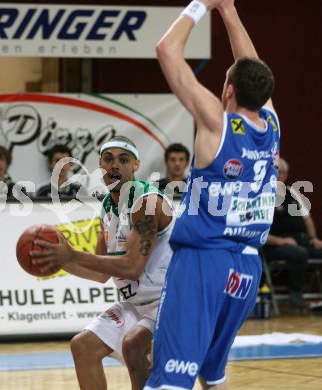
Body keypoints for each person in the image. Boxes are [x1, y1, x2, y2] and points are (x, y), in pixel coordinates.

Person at [145, 0, 280, 389]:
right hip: (247, 270)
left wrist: (203, 4)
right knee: (212, 374)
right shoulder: (271, 122)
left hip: (204, 263)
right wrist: (230, 10)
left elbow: (166, 50)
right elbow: (255, 69)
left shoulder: (216, 121)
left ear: (229, 90)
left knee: (171, 377)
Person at [31, 136, 174, 390]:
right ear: (100, 165)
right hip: (135, 305)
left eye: (123, 159)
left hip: (168, 302)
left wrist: (71, 255)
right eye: (108, 159)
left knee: (133, 345)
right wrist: (55, 259)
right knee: (82, 346)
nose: (114, 166)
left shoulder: (147, 203)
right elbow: (99, 273)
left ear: (136, 165)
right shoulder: (108, 207)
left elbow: (132, 266)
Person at [263, 157, 322, 309]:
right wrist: (280, 241)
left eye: (279, 172)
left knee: (312, 249)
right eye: (273, 171)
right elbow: (256, 229)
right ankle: (296, 290)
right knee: (299, 253)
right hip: (274, 244)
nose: (276, 175)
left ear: (285, 175)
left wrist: (313, 238)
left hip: (300, 239)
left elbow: (307, 219)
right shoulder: (261, 195)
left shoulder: (293, 192)